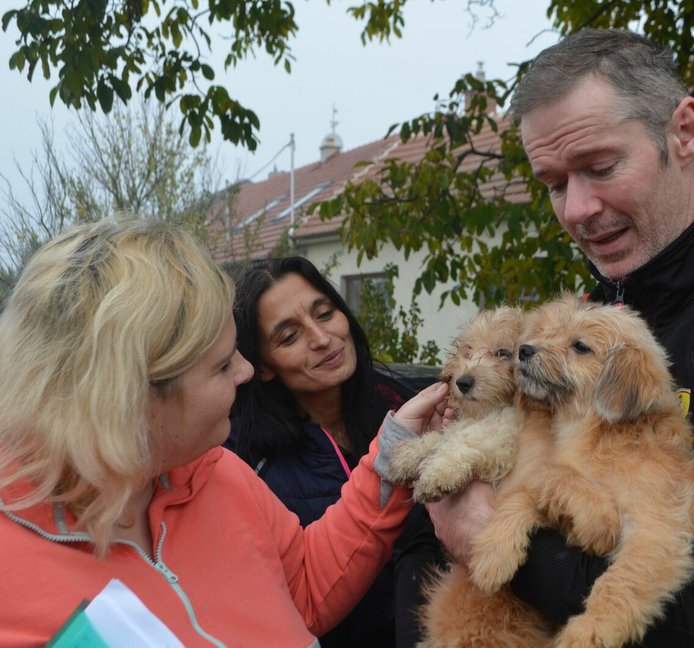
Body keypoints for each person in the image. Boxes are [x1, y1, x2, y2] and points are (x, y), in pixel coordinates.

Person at [427, 28, 694, 648]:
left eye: (601, 167)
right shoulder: (569, 326)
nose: (576, 210)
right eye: (553, 184)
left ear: (684, 133)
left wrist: (497, 542)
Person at [0, 218, 451, 646]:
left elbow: (306, 588)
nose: (246, 370)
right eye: (221, 365)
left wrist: (394, 452)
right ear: (128, 400)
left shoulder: (216, 472)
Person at [228, 256, 442, 648]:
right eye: (289, 337)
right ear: (262, 367)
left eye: (325, 313)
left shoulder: (406, 407)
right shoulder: (248, 464)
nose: (322, 338)